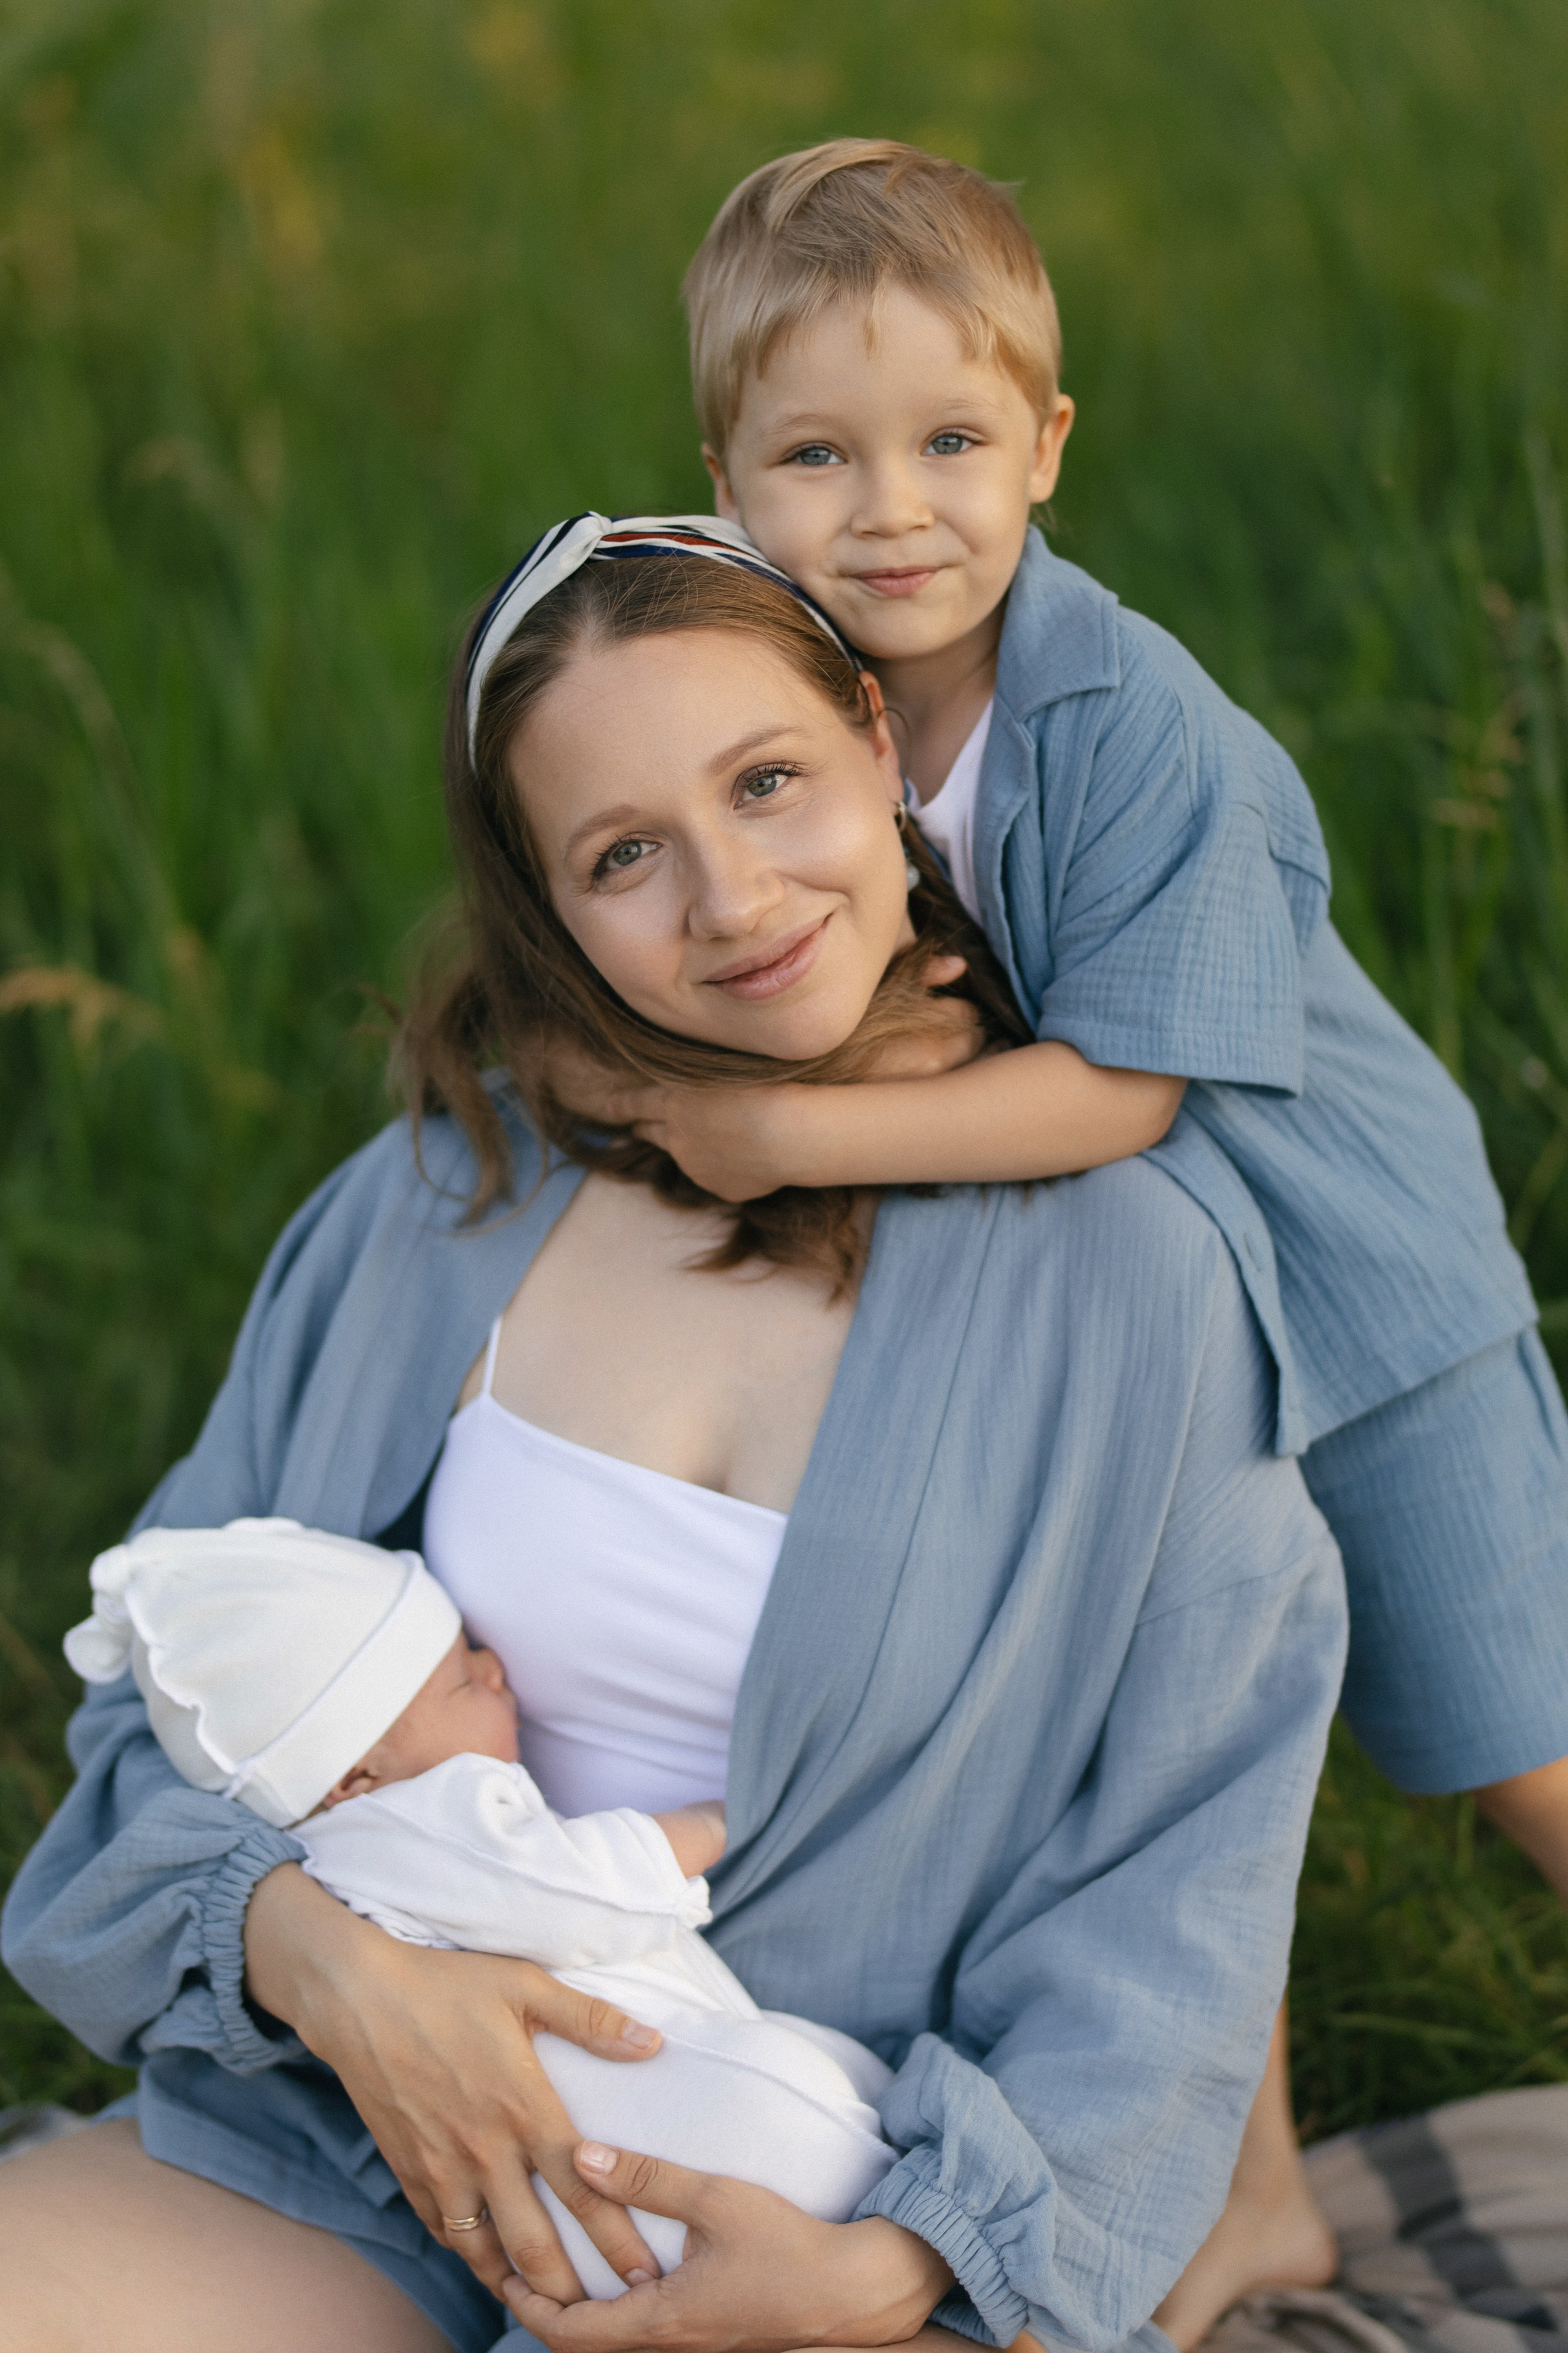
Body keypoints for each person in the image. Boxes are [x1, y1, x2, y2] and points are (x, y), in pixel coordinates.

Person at [0, 529, 1346, 2353]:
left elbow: (1179, 1891)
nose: (731, 899)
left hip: (811, 2198)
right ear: (549, 911)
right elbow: (161, 1685)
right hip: (354, 2142)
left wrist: (907, 2263)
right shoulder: (440, 1203)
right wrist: (331, 1969)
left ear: (881, 746)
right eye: (624, 853)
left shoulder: (1139, 1279)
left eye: (768, 781)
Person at [531, 140, 1568, 2341]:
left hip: (1357, 1294)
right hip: (1154, 1334)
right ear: (722, 475)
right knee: (1193, 1739)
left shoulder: (1120, 722)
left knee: (1517, 1736)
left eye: (951, 445)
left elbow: (1131, 1089)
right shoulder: (794, 700)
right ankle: (1249, 2192)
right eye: (818, 454)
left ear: (1050, 450)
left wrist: (774, 1128)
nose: (891, 510)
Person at [61, 1517, 897, 2296]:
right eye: (465, 1674)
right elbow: (578, 1890)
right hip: (702, 2127)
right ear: (357, 1774)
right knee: (819, 2110)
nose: (495, 1667)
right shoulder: (434, 1813)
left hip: (569, 2214)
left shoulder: (325, 1861)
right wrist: (709, 1825)